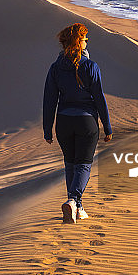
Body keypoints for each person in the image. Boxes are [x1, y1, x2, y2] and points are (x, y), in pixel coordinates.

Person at [43, 22, 113, 223]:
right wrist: (107, 126)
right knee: (83, 165)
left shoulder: (55, 68)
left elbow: (49, 101)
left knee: (70, 164)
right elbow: (99, 98)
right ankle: (73, 200)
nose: (86, 41)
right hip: (86, 122)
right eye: (84, 38)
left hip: (64, 122)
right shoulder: (91, 66)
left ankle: (77, 208)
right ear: (77, 42)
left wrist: (47, 129)